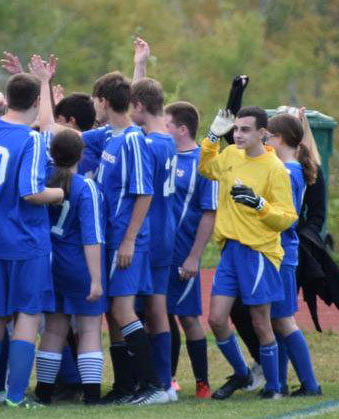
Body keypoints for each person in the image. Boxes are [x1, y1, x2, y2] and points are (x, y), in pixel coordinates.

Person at [0, 67, 64, 407]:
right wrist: (56, 194)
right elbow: (30, 192)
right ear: (37, 101)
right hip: (24, 241)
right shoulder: (31, 139)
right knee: (27, 315)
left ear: (8, 98)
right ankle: (14, 397)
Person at [199, 106, 297, 400]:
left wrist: (259, 205)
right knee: (216, 319)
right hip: (230, 250)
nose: (238, 134)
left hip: (258, 252)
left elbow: (287, 217)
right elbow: (206, 168)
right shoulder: (229, 156)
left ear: (262, 133)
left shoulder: (275, 168)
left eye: (244, 130)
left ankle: (274, 386)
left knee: (260, 322)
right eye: (236, 129)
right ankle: (242, 373)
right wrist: (212, 136)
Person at [91, 71, 166, 405]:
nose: (95, 105)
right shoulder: (111, 136)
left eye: (96, 100)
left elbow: (144, 193)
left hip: (126, 238)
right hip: (111, 237)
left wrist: (129, 239)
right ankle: (125, 386)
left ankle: (155, 387)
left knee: (124, 311)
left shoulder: (134, 140)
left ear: (104, 102)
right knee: (113, 313)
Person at [32, 128, 106, 406]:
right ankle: (92, 396)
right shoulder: (86, 187)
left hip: (51, 263)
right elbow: (92, 236)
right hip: (78, 265)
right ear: (81, 155)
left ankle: (43, 393)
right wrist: (96, 279)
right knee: (88, 329)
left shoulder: (45, 182)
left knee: (53, 330)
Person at [265, 113, 321, 396]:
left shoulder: (287, 172)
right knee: (277, 319)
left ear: (282, 139)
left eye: (269, 137)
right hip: (282, 252)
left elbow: (283, 217)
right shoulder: (289, 168)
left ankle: (310, 384)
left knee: (284, 320)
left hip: (283, 252)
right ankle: (280, 382)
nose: (266, 141)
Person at [164, 101, 217, 399]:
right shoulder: (164, 155)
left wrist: (195, 256)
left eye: (167, 125)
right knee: (160, 314)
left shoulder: (203, 164)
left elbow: (210, 213)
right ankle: (167, 380)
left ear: (182, 129)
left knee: (187, 317)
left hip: (184, 253)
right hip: (160, 252)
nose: (163, 129)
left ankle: (203, 382)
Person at [130, 75, 178, 400]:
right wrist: (140, 66)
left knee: (147, 307)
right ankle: (163, 382)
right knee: (155, 306)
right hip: (167, 229)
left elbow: (143, 192)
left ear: (139, 107)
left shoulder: (148, 145)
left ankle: (157, 383)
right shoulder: (168, 139)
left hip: (149, 232)